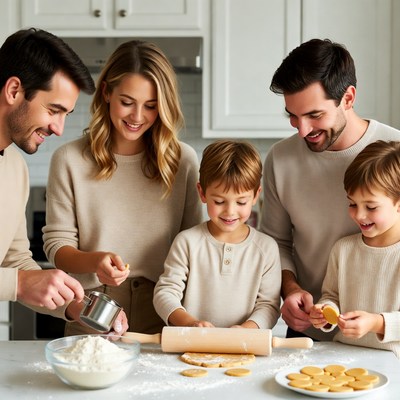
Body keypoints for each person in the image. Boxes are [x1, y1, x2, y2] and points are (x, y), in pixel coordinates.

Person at [43, 40, 203, 336]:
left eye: (151, 106)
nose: (137, 116)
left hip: (165, 310)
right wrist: (96, 261)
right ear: (106, 92)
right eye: (127, 102)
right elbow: (57, 247)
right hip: (92, 309)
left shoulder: (183, 161)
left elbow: (195, 244)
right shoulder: (69, 159)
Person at [260, 38, 400, 341]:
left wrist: (382, 323)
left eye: (314, 115)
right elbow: (276, 244)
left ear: (347, 98)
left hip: (387, 341)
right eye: (293, 116)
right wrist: (290, 289)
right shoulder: (280, 158)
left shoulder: (395, 153)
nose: (302, 130)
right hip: (308, 334)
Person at [0, 27, 127, 332]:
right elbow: (16, 278)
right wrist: (16, 283)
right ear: (14, 90)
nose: (58, 129)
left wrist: (76, 305)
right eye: (53, 110)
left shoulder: (15, 167)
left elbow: (15, 262)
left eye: (65, 115)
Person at [153, 140, 281, 329]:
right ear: (202, 193)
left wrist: (246, 330)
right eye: (220, 201)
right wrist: (190, 323)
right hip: (191, 344)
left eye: (241, 202)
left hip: (244, 347)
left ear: (255, 196)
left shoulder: (266, 248)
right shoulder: (187, 242)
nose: (230, 211)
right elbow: (165, 293)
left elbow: (269, 305)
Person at [309, 140, 400, 357]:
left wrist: (377, 323)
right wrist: (325, 311)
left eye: (371, 207)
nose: (359, 215)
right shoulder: (343, 249)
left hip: (393, 363)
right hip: (342, 356)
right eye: (352, 204)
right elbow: (331, 295)